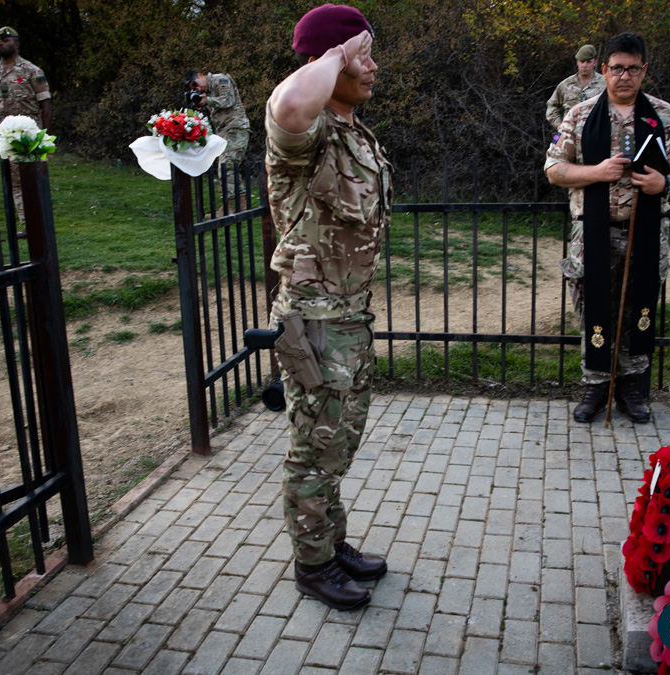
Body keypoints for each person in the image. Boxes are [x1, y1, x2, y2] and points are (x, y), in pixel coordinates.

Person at [266, 3, 390, 611]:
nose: (371, 68)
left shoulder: (349, 128)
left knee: (336, 443)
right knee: (314, 447)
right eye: (360, 57)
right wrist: (336, 53)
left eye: (366, 54)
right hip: (314, 321)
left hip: (346, 316)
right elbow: (290, 105)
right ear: (327, 61)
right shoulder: (304, 131)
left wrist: (344, 56)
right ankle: (311, 565)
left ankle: (332, 543)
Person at [544, 32, 670, 424]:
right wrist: (595, 172)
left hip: (644, 231)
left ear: (643, 70)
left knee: (636, 308)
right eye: (616, 69)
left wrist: (665, 183)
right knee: (593, 307)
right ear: (603, 69)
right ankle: (596, 385)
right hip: (593, 232)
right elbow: (553, 169)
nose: (624, 76)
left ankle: (631, 387)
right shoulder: (578, 115)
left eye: (632, 69)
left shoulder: (664, 115)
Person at [0, 26, 51, 237]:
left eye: (5, 40)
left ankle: (41, 221)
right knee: (14, 182)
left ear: (16, 44)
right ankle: (27, 223)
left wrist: (44, 135)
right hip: (8, 136)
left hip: (30, 135)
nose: (0, 43)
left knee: (35, 178)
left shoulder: (32, 71)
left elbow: (45, 104)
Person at [189, 69, 250, 206]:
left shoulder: (220, 79)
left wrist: (207, 101)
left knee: (226, 164)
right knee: (229, 165)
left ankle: (228, 207)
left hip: (235, 128)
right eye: (194, 89)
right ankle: (242, 204)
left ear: (200, 75)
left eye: (196, 84)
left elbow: (228, 100)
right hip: (225, 131)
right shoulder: (207, 93)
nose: (198, 89)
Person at [546, 44, 606, 131]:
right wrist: (559, 125)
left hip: (596, 134)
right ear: (577, 62)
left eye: (588, 62)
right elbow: (552, 106)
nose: (584, 65)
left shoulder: (605, 84)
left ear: (595, 62)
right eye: (582, 61)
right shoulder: (565, 85)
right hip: (569, 136)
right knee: (554, 143)